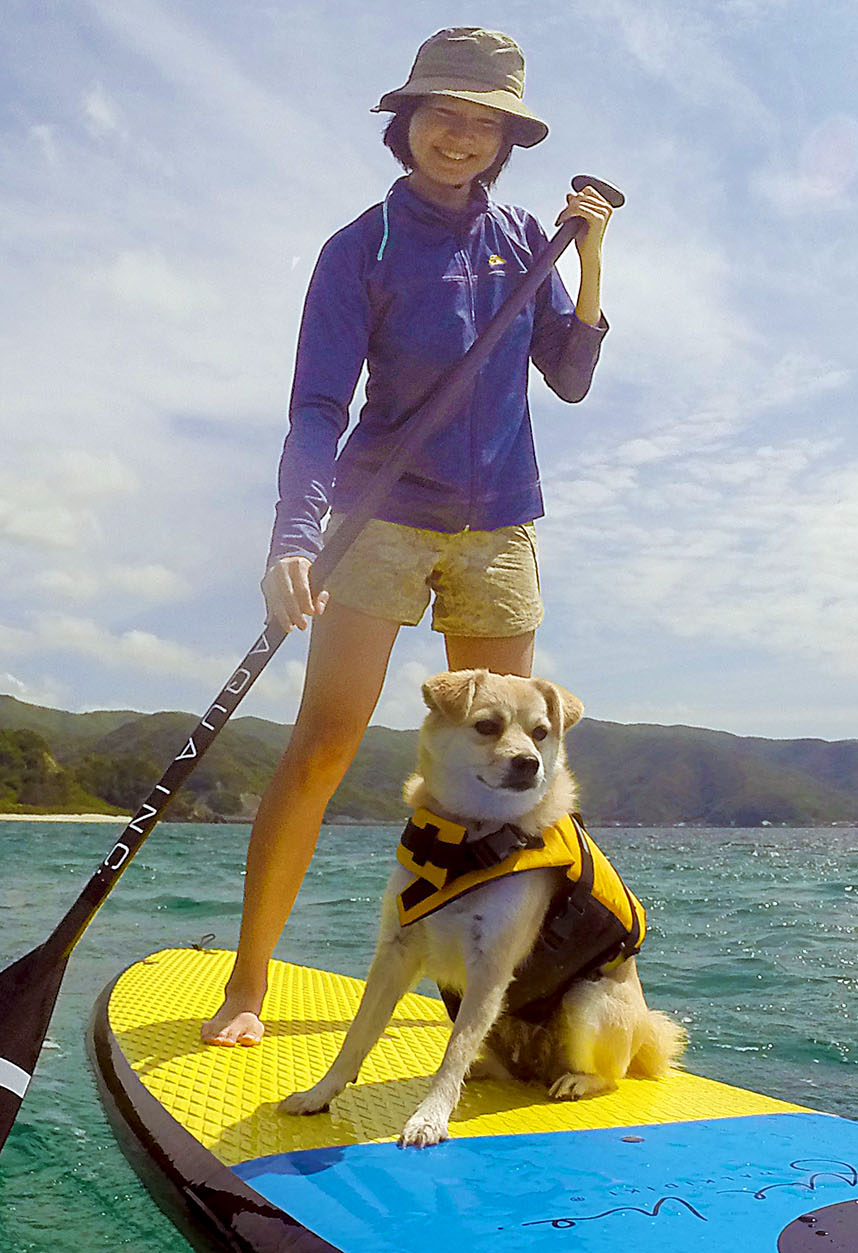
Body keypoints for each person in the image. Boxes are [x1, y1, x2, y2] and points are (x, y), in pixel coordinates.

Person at [203, 27, 614, 1045]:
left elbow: (568, 377)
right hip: (379, 517)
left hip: (500, 524)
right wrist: (293, 539)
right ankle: (248, 985)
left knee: (500, 772)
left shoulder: (527, 240)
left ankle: (492, 1007)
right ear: (407, 122)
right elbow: (316, 409)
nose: (461, 137)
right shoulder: (362, 249)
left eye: (484, 123)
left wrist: (589, 260)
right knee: (326, 741)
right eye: (444, 115)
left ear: (506, 141)